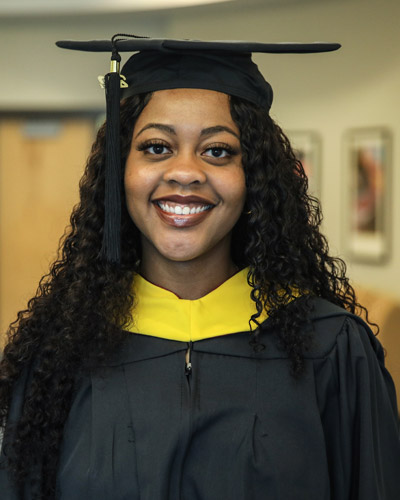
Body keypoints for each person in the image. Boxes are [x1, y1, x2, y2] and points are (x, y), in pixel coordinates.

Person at [0, 35, 399, 500]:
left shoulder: (331, 349)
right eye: (156, 147)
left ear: (254, 176)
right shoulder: (58, 354)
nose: (185, 171)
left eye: (217, 151)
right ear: (118, 170)